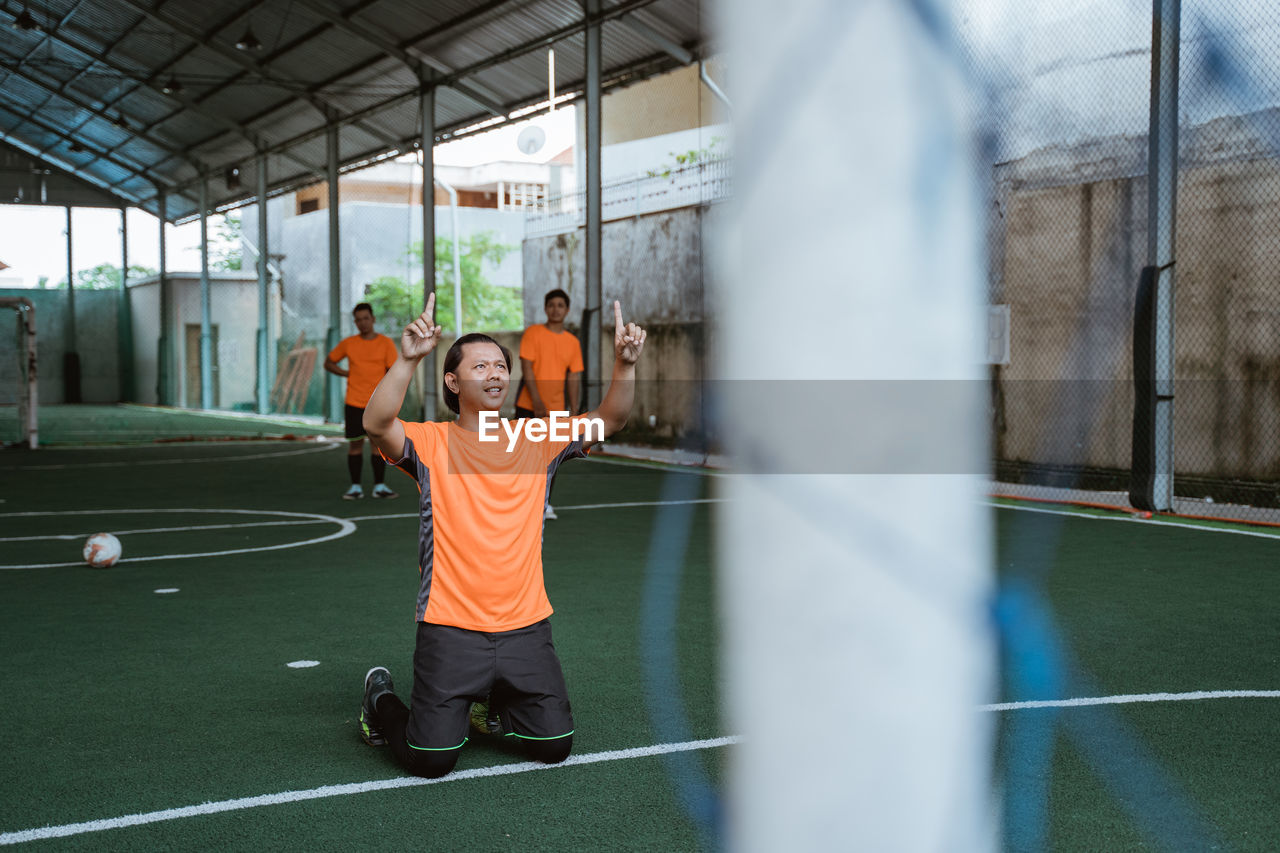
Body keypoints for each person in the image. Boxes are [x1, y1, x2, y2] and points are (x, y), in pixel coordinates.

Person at [357, 293, 647, 779]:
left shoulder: (536, 439)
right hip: (450, 628)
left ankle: (489, 706)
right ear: (453, 381)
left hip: (526, 627)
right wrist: (408, 358)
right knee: (432, 761)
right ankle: (379, 700)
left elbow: (610, 420)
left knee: (554, 745)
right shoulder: (432, 442)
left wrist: (624, 363)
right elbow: (375, 423)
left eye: (500, 365)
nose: (495, 374)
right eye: (480, 366)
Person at [515, 288, 584, 519]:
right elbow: (527, 368)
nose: (555, 309)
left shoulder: (572, 342)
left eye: (560, 305)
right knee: (523, 456)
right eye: (551, 305)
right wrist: (536, 401)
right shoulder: (533, 333)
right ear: (545, 309)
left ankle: (544, 505)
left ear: (567, 310)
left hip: (556, 411)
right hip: (528, 405)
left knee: (550, 458)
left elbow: (574, 377)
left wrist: (574, 412)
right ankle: (519, 503)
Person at [323, 302, 400, 500]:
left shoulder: (385, 343)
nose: (362, 323)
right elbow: (329, 362)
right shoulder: (349, 344)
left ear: (373, 319)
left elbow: (393, 371)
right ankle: (355, 487)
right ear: (355, 322)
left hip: (377, 403)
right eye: (358, 320)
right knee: (355, 445)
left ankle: (379, 486)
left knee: (378, 445)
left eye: (366, 318)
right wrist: (347, 373)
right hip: (354, 402)